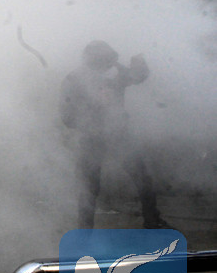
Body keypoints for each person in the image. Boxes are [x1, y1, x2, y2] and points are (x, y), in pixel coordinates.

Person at [59, 40, 170, 229]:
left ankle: (152, 220)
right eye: (104, 62)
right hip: (92, 138)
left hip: (118, 134)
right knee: (88, 187)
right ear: (93, 61)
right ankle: (84, 231)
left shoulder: (114, 74)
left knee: (142, 177)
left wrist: (139, 63)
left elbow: (138, 77)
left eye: (109, 62)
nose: (109, 67)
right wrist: (92, 116)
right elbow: (67, 117)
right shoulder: (74, 80)